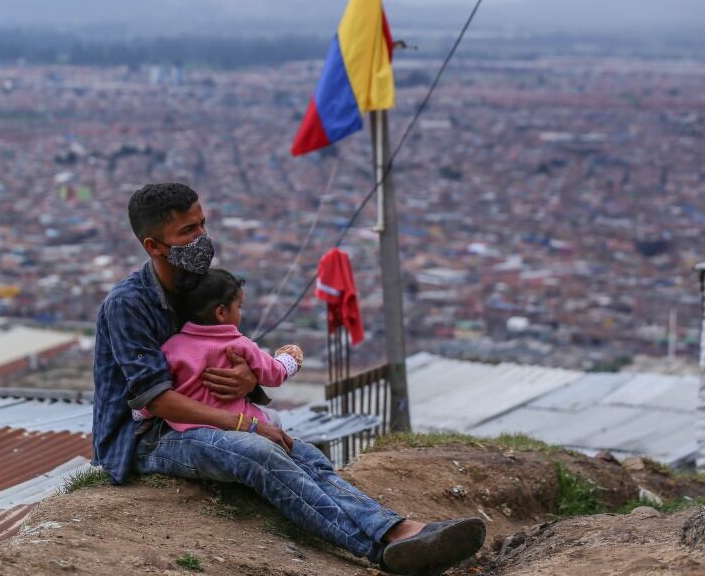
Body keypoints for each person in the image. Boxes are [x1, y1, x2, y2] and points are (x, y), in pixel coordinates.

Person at [93, 183, 485, 574]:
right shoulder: (129, 304)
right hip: (146, 437)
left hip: (203, 418)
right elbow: (155, 399)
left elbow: (223, 349)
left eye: (202, 225)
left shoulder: (195, 288)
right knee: (259, 454)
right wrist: (246, 424)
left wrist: (248, 379)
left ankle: (400, 530)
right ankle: (380, 551)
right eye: (187, 232)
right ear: (154, 245)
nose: (201, 238)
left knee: (304, 453)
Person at [135, 267, 304, 432]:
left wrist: (140, 411)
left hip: (188, 427)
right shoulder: (241, 345)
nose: (240, 313)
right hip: (241, 422)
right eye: (239, 306)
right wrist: (289, 359)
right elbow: (273, 374)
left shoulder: (172, 347)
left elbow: (159, 391)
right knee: (274, 419)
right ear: (221, 312)